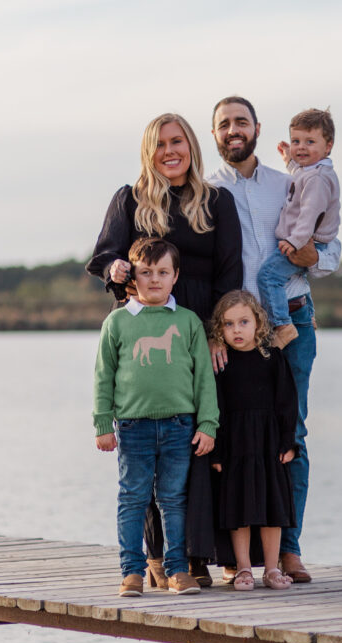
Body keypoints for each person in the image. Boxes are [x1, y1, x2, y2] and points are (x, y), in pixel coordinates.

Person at [87, 112, 242, 590]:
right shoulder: (130, 198)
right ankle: (155, 557)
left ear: (191, 146)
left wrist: (217, 332)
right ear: (149, 152)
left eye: (177, 142)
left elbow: (230, 270)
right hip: (146, 323)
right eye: (160, 144)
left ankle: (195, 557)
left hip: (202, 329)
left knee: (197, 441)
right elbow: (103, 257)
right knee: (149, 442)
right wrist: (116, 269)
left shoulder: (218, 200)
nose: (170, 151)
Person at [208, 96, 342, 583]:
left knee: (292, 436)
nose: (233, 130)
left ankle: (288, 550)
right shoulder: (206, 192)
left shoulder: (293, 181)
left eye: (241, 121)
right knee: (231, 440)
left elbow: (332, 251)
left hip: (291, 322)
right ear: (215, 133)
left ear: (258, 129)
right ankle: (232, 558)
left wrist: (311, 258)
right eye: (224, 124)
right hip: (232, 336)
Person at [92, 237, 218, 597]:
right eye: (146, 272)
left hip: (180, 425)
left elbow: (203, 379)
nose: (155, 279)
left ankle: (178, 570)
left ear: (175, 276)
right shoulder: (117, 323)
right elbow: (103, 375)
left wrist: (208, 423)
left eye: (163, 272)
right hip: (133, 427)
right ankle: (132, 571)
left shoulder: (189, 322)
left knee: (174, 499)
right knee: (132, 497)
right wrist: (103, 423)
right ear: (133, 277)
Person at [208, 290, 297, 591]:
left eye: (243, 322)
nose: (236, 330)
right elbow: (215, 406)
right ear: (219, 330)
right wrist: (217, 450)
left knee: (272, 507)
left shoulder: (273, 358)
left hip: (269, 442)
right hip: (235, 444)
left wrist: (288, 442)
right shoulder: (221, 363)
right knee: (239, 507)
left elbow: (287, 402)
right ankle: (243, 568)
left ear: (258, 324)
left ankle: (272, 569)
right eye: (228, 324)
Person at [258, 108, 341, 349]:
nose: (301, 147)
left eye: (310, 142)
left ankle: (283, 326)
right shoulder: (312, 172)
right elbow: (300, 176)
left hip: (306, 241)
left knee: (268, 276)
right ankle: (305, 315)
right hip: (308, 240)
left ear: (328, 146)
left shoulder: (317, 179)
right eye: (296, 141)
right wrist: (290, 161)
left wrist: (294, 241)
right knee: (288, 276)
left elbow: (309, 215)